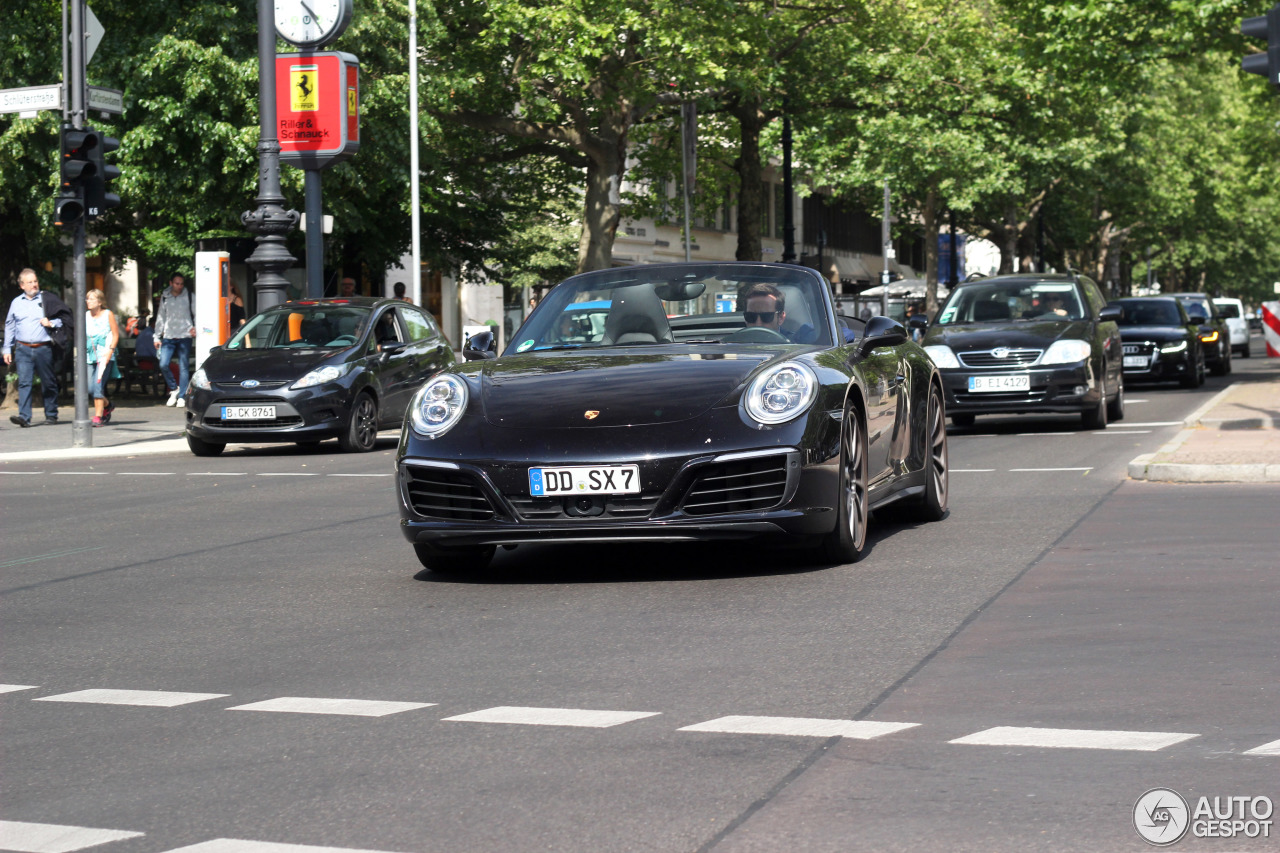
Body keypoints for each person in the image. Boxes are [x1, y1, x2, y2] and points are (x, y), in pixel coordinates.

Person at [4, 268, 73, 427]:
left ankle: (51, 415)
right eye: (30, 282)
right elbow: (10, 326)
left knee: (48, 382)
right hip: (23, 348)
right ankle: (24, 417)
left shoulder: (47, 299)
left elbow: (64, 318)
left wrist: (51, 323)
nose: (34, 284)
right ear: (22, 285)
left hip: (44, 348)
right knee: (24, 383)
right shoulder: (16, 303)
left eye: (35, 281)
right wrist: (7, 349)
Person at [155, 272, 196, 407]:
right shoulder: (165, 297)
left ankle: (182, 396)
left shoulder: (189, 296)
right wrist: (157, 335)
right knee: (163, 364)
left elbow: (197, 312)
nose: (179, 286)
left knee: (183, 366)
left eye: (181, 283)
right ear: (171, 283)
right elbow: (161, 316)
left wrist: (196, 327)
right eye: (177, 283)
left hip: (185, 335)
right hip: (169, 335)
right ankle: (174, 388)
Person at [84, 289, 121, 427]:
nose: (89, 301)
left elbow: (115, 334)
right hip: (90, 355)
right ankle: (108, 405)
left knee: (98, 386)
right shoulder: (86, 316)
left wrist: (110, 351)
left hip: (104, 355)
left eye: (92, 299)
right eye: (87, 299)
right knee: (90, 388)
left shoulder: (108, 314)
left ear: (100, 302)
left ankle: (98, 416)